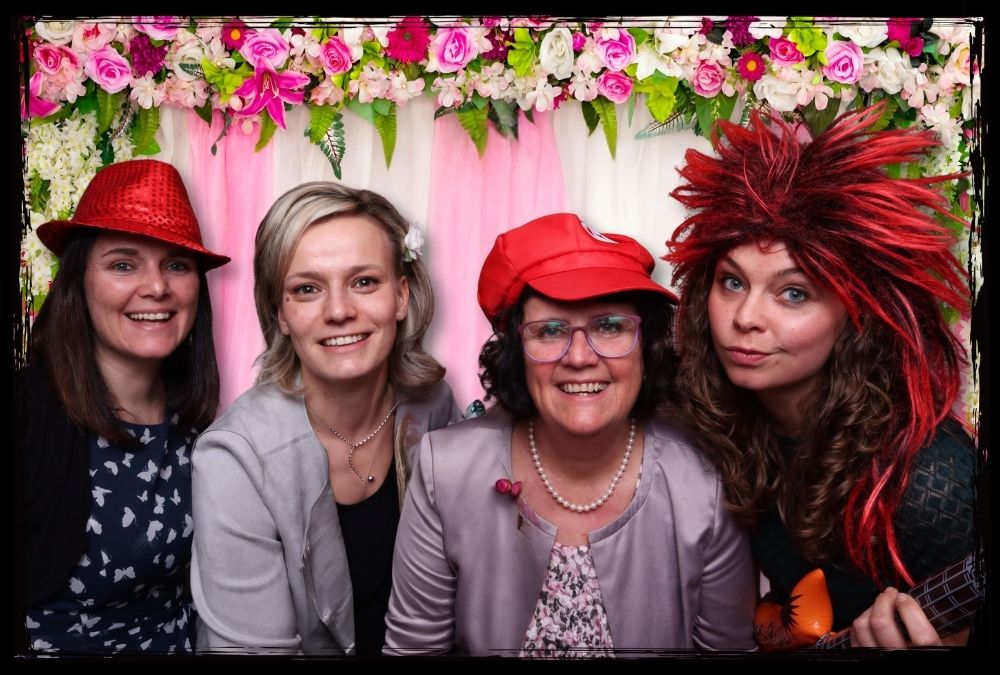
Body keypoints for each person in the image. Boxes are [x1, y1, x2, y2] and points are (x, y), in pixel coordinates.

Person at [666, 105, 977, 648]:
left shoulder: (930, 478)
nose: (745, 318)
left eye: (793, 293)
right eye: (732, 282)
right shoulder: (714, 416)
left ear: (855, 314)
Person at [384, 213, 756, 656]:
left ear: (647, 344)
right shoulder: (444, 469)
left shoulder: (706, 482)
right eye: (551, 330)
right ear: (516, 351)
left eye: (609, 326)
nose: (580, 357)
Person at [190, 182, 460, 655]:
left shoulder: (433, 405)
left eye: (364, 282)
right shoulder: (234, 459)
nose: (339, 311)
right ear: (281, 314)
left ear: (401, 296)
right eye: (307, 289)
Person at [20, 159, 229, 653]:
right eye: (123, 264)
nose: (157, 286)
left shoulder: (199, 426)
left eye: (176, 264)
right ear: (78, 283)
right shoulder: (28, 414)